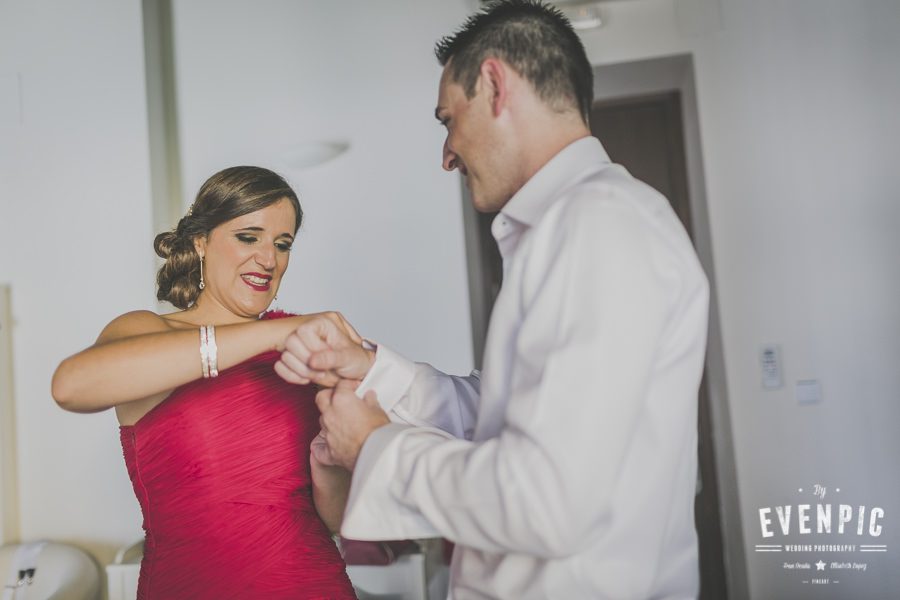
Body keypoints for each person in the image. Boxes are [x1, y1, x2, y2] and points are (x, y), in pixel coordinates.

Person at [277, 1, 711, 598]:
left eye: (448, 120)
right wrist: (373, 367)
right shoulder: (566, 228)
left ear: (494, 86)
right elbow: (503, 416)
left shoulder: (598, 227)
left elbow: (546, 498)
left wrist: (377, 445)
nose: (447, 154)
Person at [51, 166, 356, 599]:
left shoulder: (301, 350)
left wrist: (330, 458)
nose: (268, 260)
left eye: (282, 244)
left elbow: (337, 519)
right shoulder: (149, 332)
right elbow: (70, 386)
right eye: (248, 237)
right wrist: (272, 332)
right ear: (201, 241)